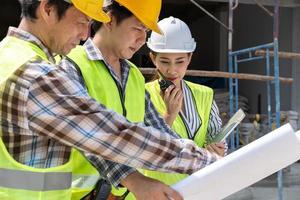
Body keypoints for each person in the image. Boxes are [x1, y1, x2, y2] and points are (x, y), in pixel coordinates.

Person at [0, 0, 219, 200]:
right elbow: (108, 135)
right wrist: (208, 162)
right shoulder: (39, 74)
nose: (85, 33)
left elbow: (154, 129)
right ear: (48, 9)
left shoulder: (10, 58)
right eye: (82, 21)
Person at [141, 16, 227, 189]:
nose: (172, 70)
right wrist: (169, 115)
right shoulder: (141, 94)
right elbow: (143, 149)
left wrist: (217, 149)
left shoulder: (204, 94)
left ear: (189, 58)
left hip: (197, 189)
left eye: (180, 61)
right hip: (157, 191)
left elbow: (214, 136)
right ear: (153, 58)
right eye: (164, 61)